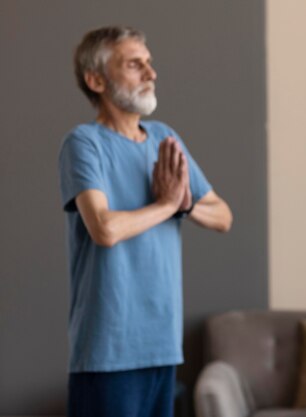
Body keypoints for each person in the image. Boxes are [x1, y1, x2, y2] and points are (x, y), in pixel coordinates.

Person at [58, 26, 233, 417]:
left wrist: (182, 206)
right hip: (107, 350)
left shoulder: (164, 137)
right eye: (135, 65)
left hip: (162, 344)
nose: (151, 73)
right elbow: (104, 228)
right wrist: (169, 204)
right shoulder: (83, 143)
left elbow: (222, 216)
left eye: (149, 64)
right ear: (96, 79)